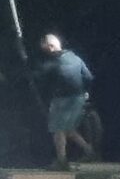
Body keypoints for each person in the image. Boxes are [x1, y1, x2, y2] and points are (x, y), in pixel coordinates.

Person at [31, 33, 95, 167]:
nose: (45, 51)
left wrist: (26, 66)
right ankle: (89, 151)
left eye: (45, 48)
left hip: (62, 100)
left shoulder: (55, 61)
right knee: (68, 129)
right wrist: (86, 92)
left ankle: (62, 161)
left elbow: (38, 75)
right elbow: (89, 77)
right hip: (79, 98)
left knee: (58, 129)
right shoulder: (76, 58)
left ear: (51, 46)